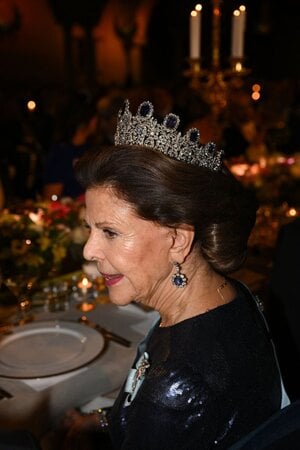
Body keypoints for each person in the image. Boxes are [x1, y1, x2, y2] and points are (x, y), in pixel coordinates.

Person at [61, 99, 287, 449]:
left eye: (110, 232)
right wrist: (103, 419)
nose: (90, 251)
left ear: (178, 240)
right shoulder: (228, 293)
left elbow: (168, 404)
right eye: (89, 229)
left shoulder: (175, 387)